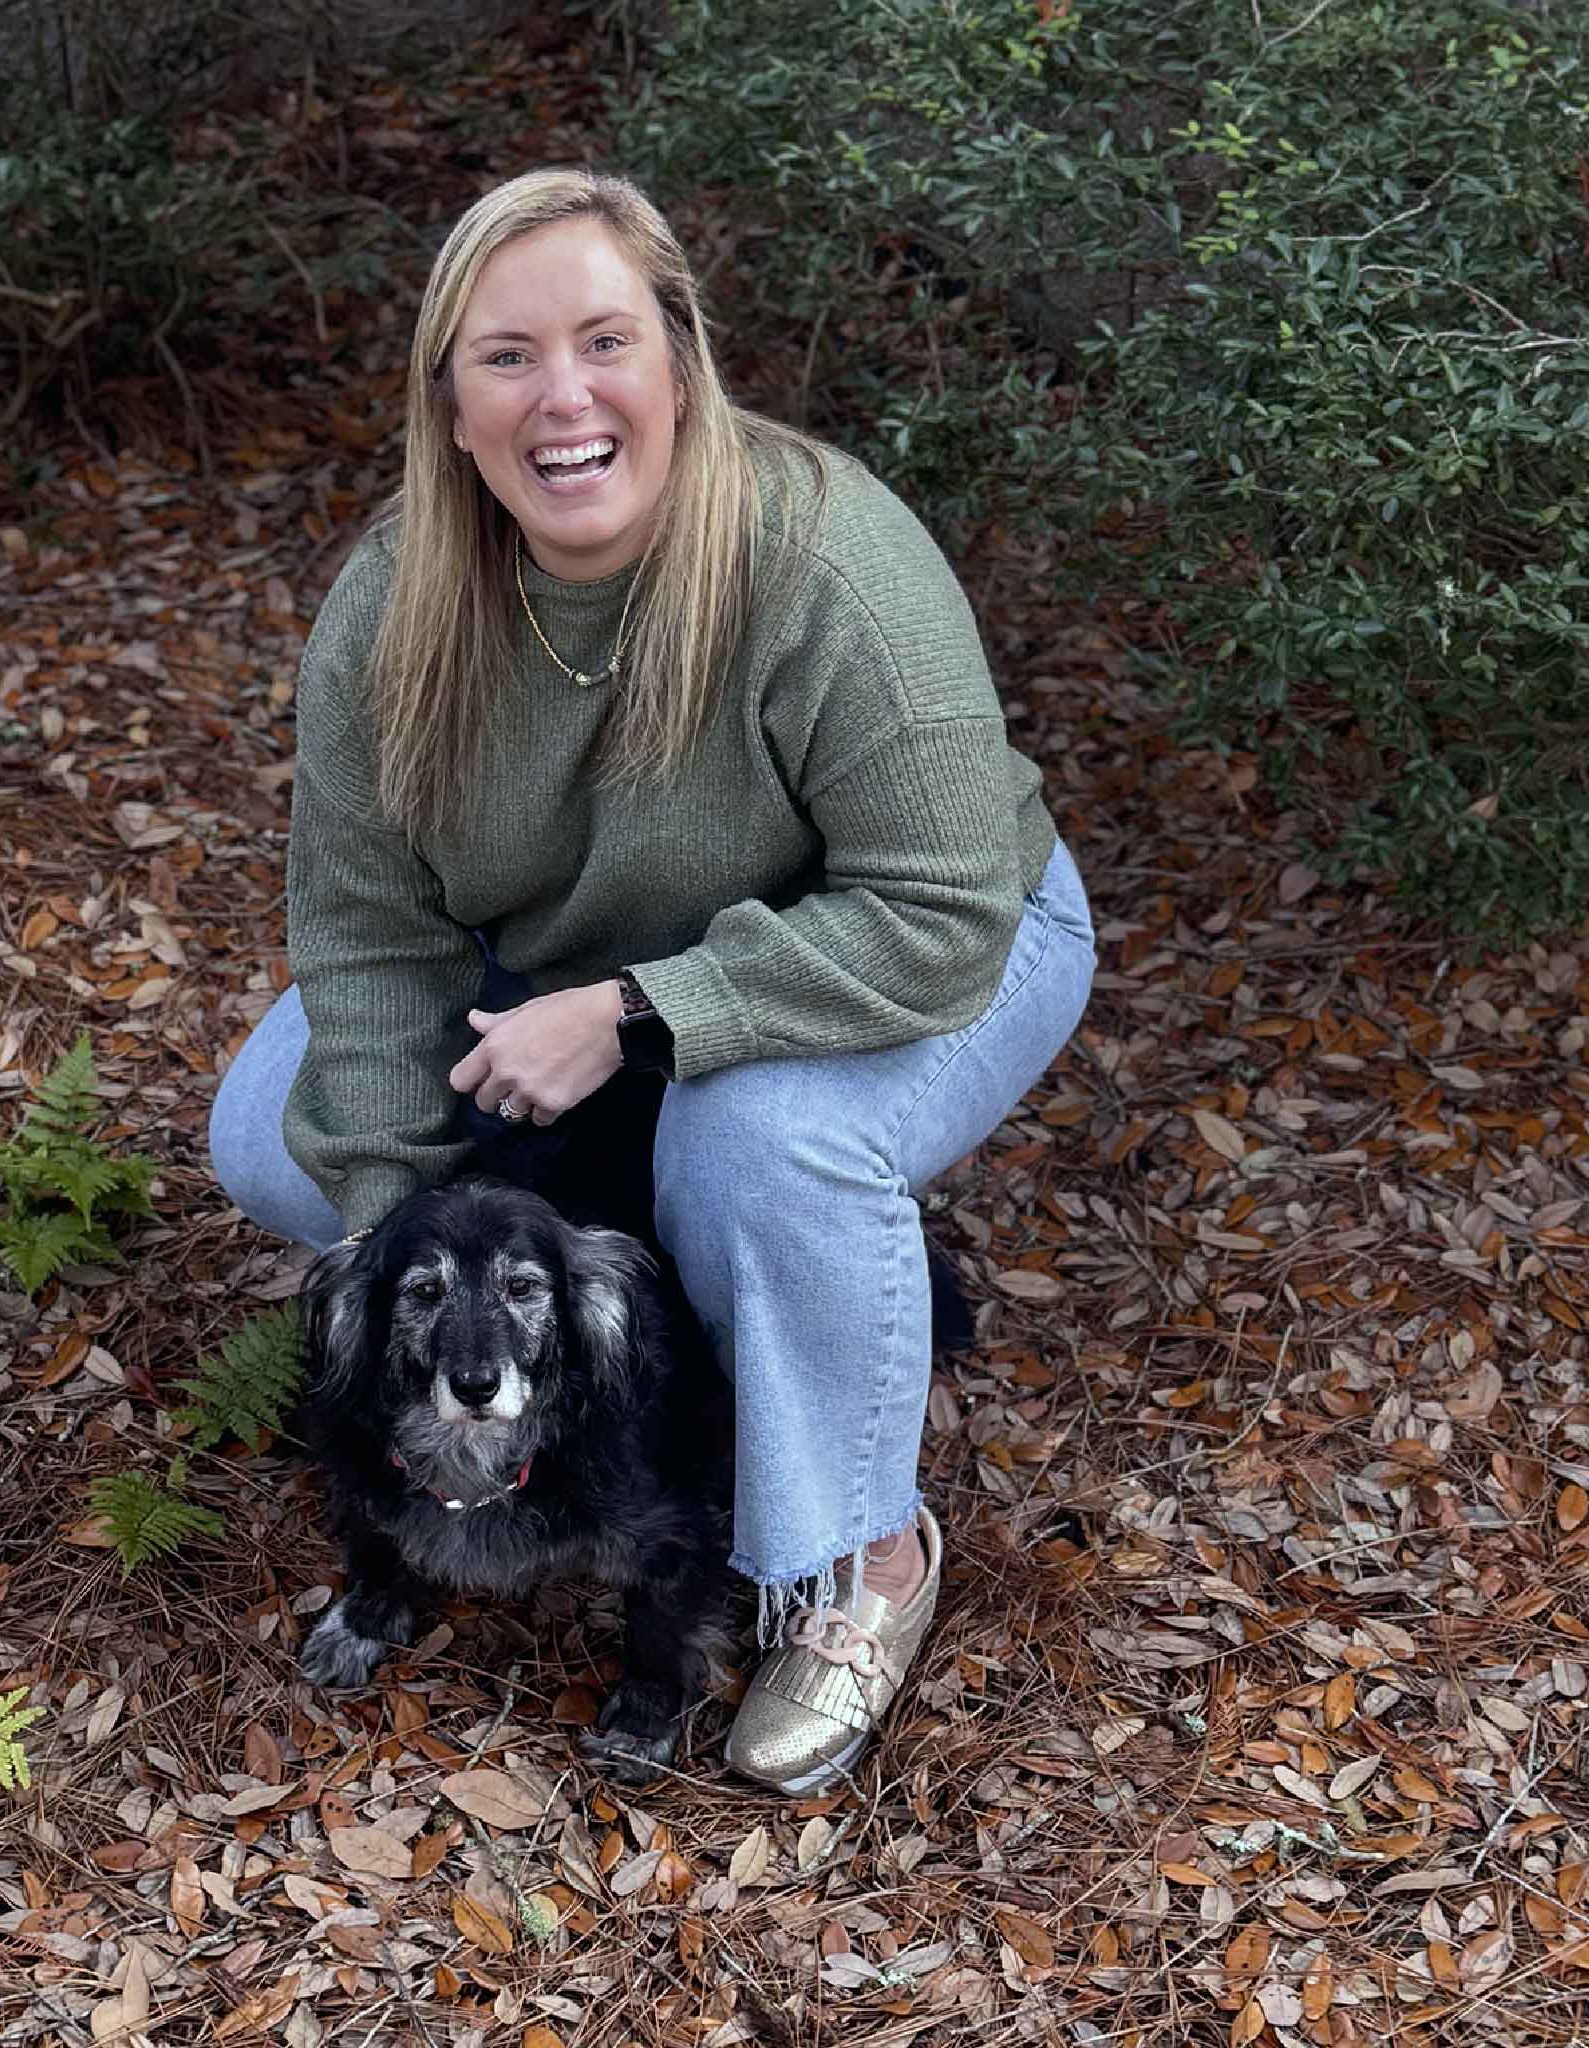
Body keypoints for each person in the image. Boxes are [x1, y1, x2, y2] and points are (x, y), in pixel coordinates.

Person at [210, 167, 1096, 1794]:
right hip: (561, 962)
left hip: (937, 938)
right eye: (507, 358)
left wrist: (633, 1017)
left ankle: (858, 1562)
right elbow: (371, 936)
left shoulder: (827, 564)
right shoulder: (393, 606)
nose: (566, 400)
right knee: (280, 1128)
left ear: (680, 357)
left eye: (607, 341)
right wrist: (425, 1275)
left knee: (759, 1147)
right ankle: (661, 1326)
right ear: (450, 406)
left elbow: (939, 909)